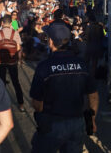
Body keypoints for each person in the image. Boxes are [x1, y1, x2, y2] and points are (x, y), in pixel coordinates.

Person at [30, 23, 99, 153]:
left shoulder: (44, 67)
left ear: (51, 42)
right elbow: (93, 95)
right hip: (77, 123)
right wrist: (91, 120)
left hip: (52, 124)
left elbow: (37, 104)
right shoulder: (82, 64)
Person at [0, 15, 24, 111]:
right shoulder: (15, 33)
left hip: (1, 61)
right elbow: (18, 48)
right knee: (16, 82)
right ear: (11, 23)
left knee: (1, 82)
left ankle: (1, 104)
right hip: (12, 60)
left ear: (2, 23)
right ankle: (21, 104)